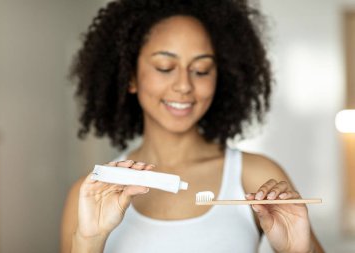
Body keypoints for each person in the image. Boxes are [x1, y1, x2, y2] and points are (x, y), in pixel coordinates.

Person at [61, 0, 324, 252]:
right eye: (165, 67)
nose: (184, 85)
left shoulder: (255, 176)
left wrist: (300, 251)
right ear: (130, 76)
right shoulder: (89, 195)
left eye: (201, 70)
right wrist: (88, 242)